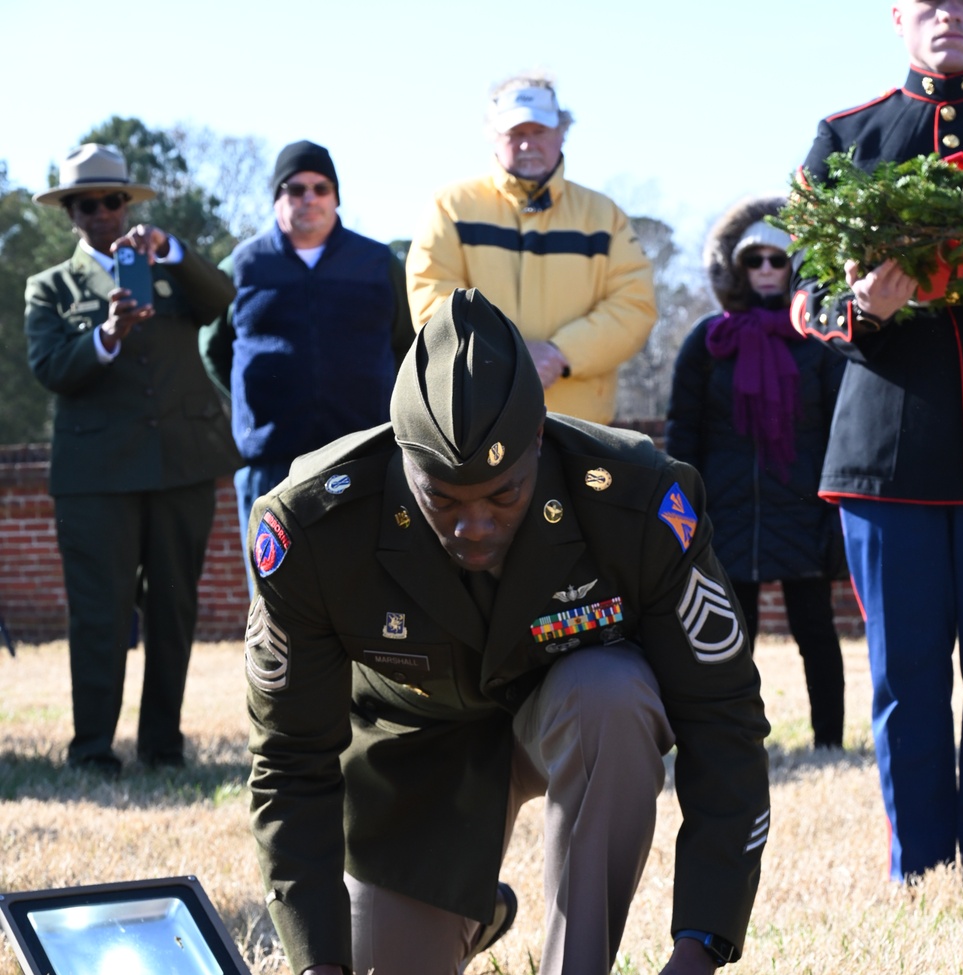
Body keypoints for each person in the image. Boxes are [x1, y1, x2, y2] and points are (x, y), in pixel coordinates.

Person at [245, 290, 770, 975]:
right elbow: (290, 756)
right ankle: (472, 904)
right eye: (444, 500)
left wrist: (702, 945)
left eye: (503, 494)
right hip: (413, 748)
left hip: (566, 714)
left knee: (612, 694)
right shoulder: (312, 529)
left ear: (539, 445)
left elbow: (723, 721)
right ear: (403, 460)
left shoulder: (638, 501)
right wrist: (318, 963)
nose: (475, 524)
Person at [792, 0, 963, 878]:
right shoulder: (848, 136)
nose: (949, 13)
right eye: (930, 1)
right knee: (905, 676)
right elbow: (804, 297)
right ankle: (917, 864)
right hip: (888, 453)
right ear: (898, 17)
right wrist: (857, 307)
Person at [25, 143, 238, 774]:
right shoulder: (51, 287)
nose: (103, 213)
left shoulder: (168, 268)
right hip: (97, 480)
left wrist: (171, 249)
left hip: (181, 466)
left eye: (113, 200)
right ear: (71, 212)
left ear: (128, 203)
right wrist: (105, 337)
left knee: (174, 610)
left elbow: (220, 299)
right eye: (87, 204)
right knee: (101, 614)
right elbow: (49, 368)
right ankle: (92, 749)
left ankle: (163, 747)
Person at [667, 198, 846, 749]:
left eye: (779, 259)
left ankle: (829, 743)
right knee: (729, 638)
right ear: (736, 268)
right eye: (755, 260)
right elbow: (683, 431)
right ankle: (731, 741)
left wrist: (831, 512)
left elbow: (841, 429)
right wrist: (683, 510)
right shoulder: (709, 341)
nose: (768, 269)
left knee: (816, 633)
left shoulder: (820, 342)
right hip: (726, 512)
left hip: (802, 508)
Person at [200, 141, 413, 594]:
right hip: (272, 461)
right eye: (295, 189)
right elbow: (213, 347)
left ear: (336, 196)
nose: (309, 198)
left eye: (321, 188)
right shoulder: (242, 266)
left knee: (366, 591)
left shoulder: (377, 264)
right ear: (277, 197)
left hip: (364, 453)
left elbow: (403, 343)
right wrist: (256, 401)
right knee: (276, 596)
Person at [406, 75, 657, 425]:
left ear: (562, 131)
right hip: (479, 422)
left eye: (538, 131)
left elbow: (634, 305)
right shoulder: (450, 206)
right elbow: (433, 297)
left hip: (580, 428)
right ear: (493, 135)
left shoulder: (605, 216)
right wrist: (510, 359)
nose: (528, 145)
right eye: (515, 134)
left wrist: (560, 354)